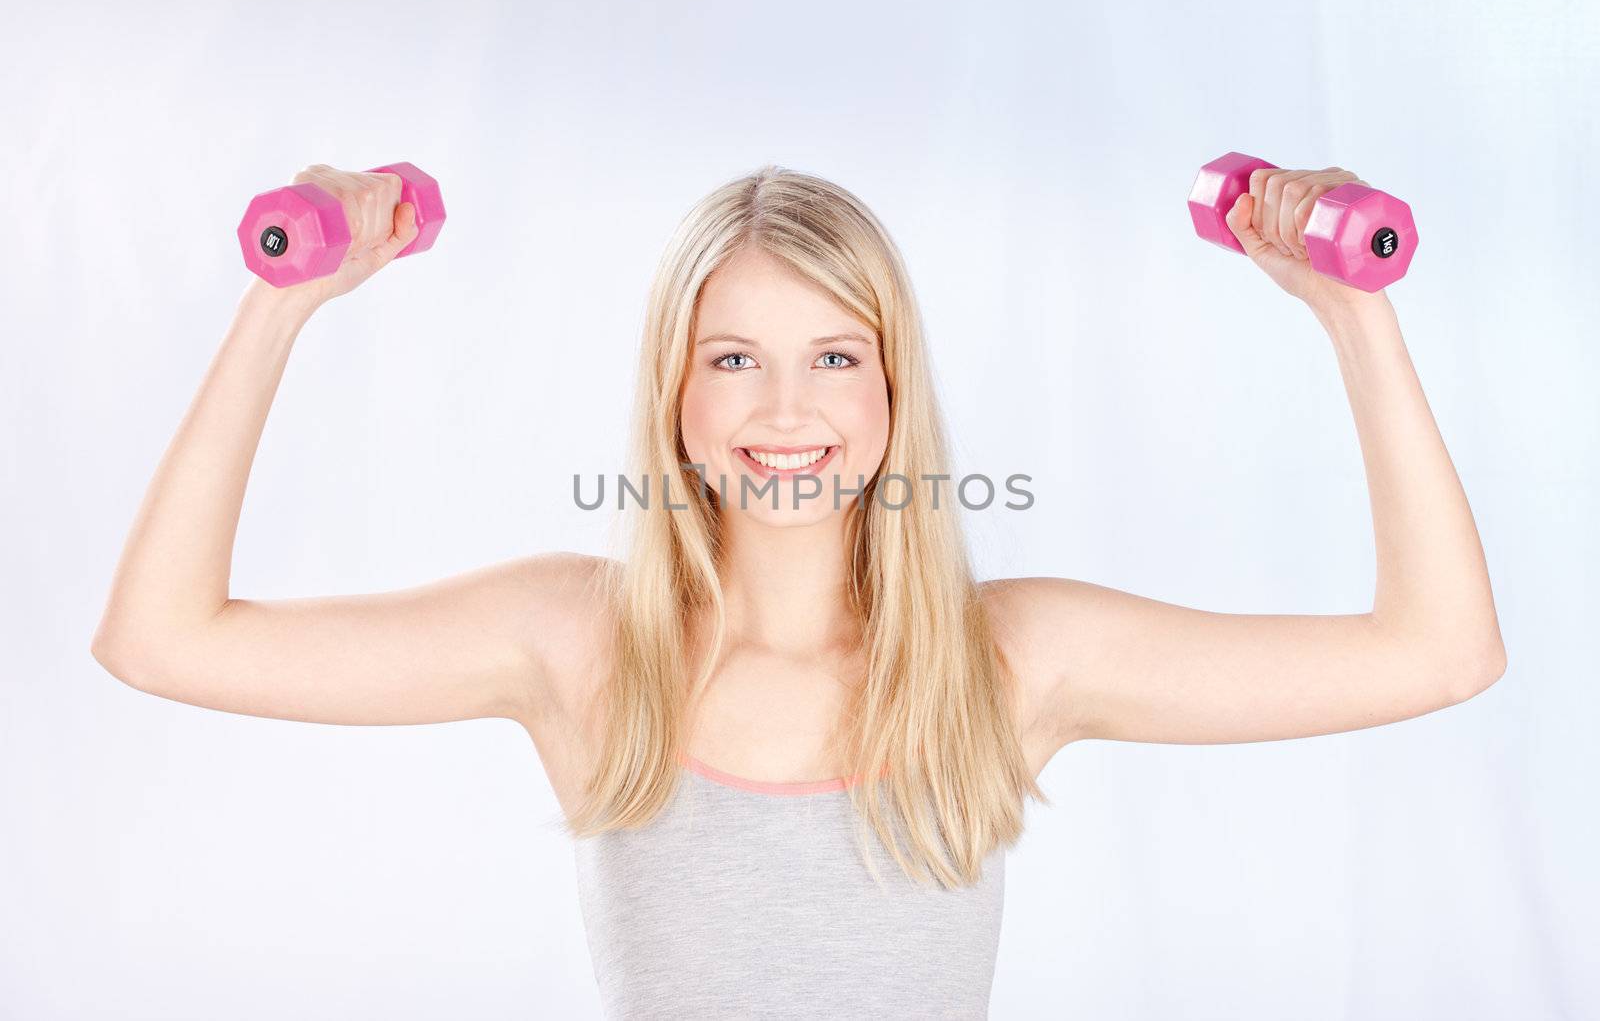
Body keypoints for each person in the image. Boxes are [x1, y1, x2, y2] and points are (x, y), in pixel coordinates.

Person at [90, 161, 1506, 1017]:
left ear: (894, 388)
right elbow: (162, 640)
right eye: (733, 357)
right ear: (676, 393)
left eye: (835, 355)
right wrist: (281, 303)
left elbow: (1438, 652)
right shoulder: (578, 646)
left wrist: (1352, 313)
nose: (786, 408)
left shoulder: (1009, 662)